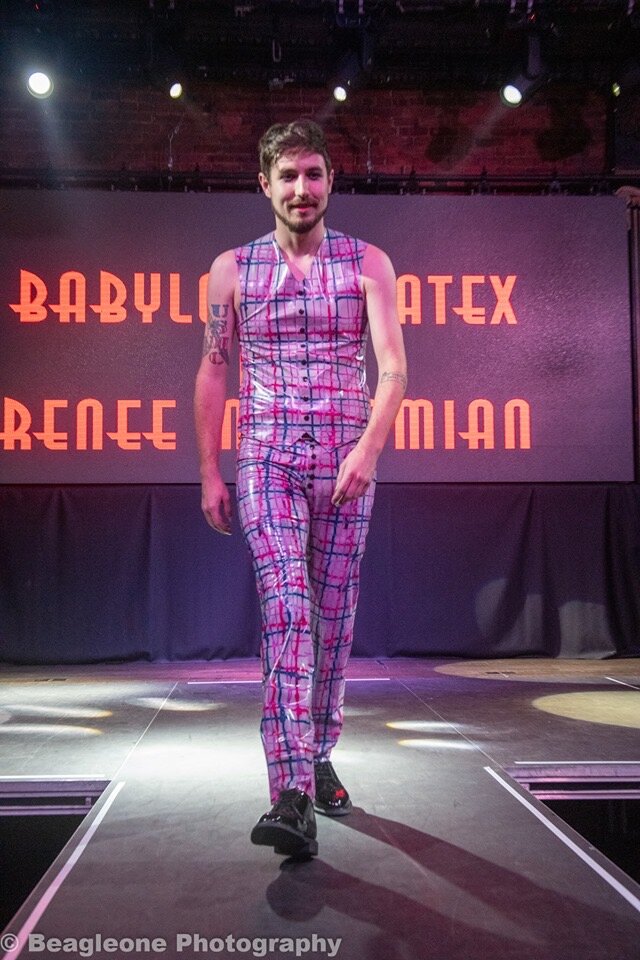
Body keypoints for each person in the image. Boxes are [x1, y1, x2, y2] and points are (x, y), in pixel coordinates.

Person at [194, 119, 406, 858]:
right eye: (287, 176)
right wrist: (210, 469)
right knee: (288, 606)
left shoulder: (368, 263)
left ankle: (317, 754)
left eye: (313, 174)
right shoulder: (230, 270)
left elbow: (393, 368)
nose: (301, 188)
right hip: (268, 461)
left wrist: (368, 452)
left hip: (346, 468)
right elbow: (213, 369)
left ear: (330, 181)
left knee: (333, 620)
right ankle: (289, 792)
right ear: (265, 184)